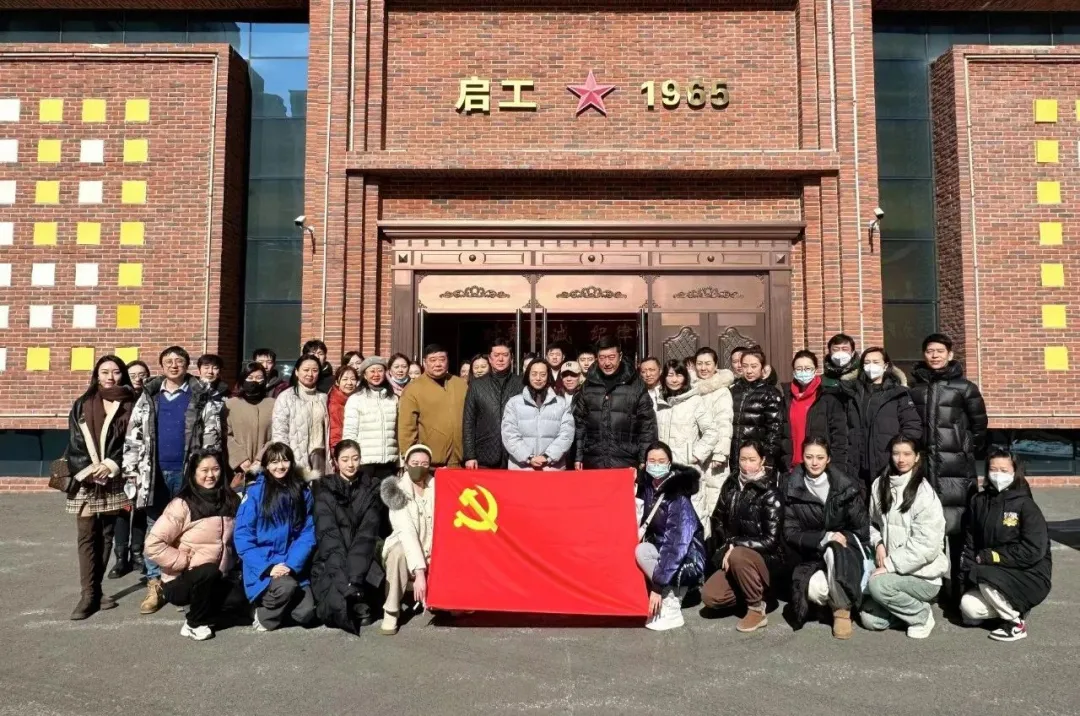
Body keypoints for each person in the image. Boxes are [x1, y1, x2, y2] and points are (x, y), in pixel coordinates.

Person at [124, 345, 223, 615]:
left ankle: (182, 582)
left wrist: (208, 470)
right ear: (162, 365)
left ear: (187, 365)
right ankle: (155, 582)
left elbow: (212, 434)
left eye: (179, 360)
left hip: (188, 472)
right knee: (156, 526)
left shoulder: (201, 394)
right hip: (153, 472)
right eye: (168, 361)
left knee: (189, 526)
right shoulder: (149, 395)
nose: (174, 365)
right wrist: (131, 469)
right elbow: (134, 434)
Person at [909, 332, 988, 598]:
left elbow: (979, 427)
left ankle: (961, 590)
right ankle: (934, 588)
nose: (935, 355)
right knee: (929, 531)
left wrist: (964, 450)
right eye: (930, 351)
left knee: (959, 531)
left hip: (956, 469)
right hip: (924, 469)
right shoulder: (915, 389)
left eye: (940, 351)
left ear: (950, 354)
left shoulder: (965, 388)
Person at [143, 449, 245, 641]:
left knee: (238, 600)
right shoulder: (182, 504)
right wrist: (185, 561)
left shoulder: (231, 500)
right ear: (193, 473)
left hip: (218, 576)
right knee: (207, 571)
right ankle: (193, 623)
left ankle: (204, 608)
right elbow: (153, 544)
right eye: (204, 470)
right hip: (182, 579)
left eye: (215, 469)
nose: (210, 475)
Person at [66, 355, 136, 619]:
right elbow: (74, 440)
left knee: (107, 533)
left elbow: (132, 440)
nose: (110, 377)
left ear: (122, 375)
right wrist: (89, 469)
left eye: (116, 372)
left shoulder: (130, 403)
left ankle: (96, 590)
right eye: (105, 371)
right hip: (85, 476)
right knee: (86, 534)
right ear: (96, 375)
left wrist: (110, 465)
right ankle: (88, 595)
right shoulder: (83, 402)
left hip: (114, 476)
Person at [959, 449, 1052, 642]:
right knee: (968, 607)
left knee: (983, 574)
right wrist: (963, 582)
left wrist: (991, 556)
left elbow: (1033, 551)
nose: (998, 475)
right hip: (993, 572)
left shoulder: (1026, 505)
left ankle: (1015, 623)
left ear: (1015, 472)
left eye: (1004, 470)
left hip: (1028, 573)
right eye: (993, 469)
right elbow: (970, 543)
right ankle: (1011, 606)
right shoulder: (978, 501)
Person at [860, 436, 948, 639]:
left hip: (923, 576)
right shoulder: (879, 484)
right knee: (870, 619)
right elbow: (871, 524)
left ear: (917, 457)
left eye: (907, 454)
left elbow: (926, 547)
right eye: (896, 453)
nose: (901, 459)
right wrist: (878, 543)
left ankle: (921, 616)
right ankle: (907, 608)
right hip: (893, 572)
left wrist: (889, 565)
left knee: (878, 586)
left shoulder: (924, 494)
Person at [783, 437, 870, 639]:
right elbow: (790, 532)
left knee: (833, 549)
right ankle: (832, 601)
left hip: (845, 552)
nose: (814, 462)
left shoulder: (845, 486)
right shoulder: (791, 487)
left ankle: (841, 610)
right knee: (813, 589)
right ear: (802, 457)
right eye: (809, 457)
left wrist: (839, 539)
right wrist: (823, 537)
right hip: (812, 556)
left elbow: (862, 529)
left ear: (828, 459)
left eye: (820, 457)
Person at [701, 440, 784, 632]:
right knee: (710, 596)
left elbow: (771, 541)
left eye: (752, 460)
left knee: (739, 554)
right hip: (733, 553)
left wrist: (735, 544)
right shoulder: (731, 484)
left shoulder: (770, 492)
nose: (747, 465)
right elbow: (718, 520)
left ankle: (756, 608)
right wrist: (724, 549)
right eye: (743, 459)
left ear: (762, 460)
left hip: (763, 558)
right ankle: (751, 593)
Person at [234, 442, 317, 632]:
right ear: (266, 465)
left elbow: (307, 533)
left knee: (306, 613)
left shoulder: (302, 491)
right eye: (274, 462)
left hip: (290, 565)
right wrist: (268, 567)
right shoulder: (255, 493)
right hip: (263, 567)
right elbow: (243, 537)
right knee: (285, 587)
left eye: (285, 460)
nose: (280, 466)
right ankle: (264, 616)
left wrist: (291, 564)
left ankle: (278, 607)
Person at [311, 440, 385, 635]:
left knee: (365, 550)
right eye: (344, 460)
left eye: (355, 458)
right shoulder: (324, 490)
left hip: (362, 555)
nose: (350, 464)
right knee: (326, 606)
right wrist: (346, 582)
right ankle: (349, 595)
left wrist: (354, 578)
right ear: (336, 462)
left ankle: (356, 593)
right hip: (334, 553)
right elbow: (328, 534)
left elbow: (367, 534)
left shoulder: (371, 489)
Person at [635, 442, 706, 631]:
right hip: (660, 548)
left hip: (687, 557)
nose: (656, 465)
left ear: (669, 463)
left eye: (661, 461)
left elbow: (677, 544)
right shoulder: (647, 487)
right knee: (641, 550)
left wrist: (658, 586)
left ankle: (671, 600)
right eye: (652, 461)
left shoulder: (678, 496)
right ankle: (668, 591)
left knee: (657, 556)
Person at [842, 347, 921, 492]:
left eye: (876, 362)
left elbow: (912, 426)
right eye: (867, 362)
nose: (871, 366)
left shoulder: (898, 394)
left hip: (887, 466)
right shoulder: (853, 394)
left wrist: (900, 454)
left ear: (885, 365)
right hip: (856, 469)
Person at [574, 336, 657, 470]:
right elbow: (580, 423)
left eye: (611, 357)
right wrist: (578, 456)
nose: (607, 363)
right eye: (602, 358)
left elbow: (647, 425)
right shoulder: (588, 385)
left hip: (627, 460)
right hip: (594, 459)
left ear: (620, 356)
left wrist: (644, 458)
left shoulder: (635, 385)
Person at [379, 444, 435, 635]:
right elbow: (407, 532)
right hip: (405, 545)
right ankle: (391, 610)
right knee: (398, 553)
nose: (419, 467)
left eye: (424, 464)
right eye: (415, 463)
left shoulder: (438, 487)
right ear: (406, 464)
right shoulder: (397, 491)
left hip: (432, 546)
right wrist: (419, 573)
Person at [685, 347, 735, 533]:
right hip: (694, 454)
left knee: (714, 500)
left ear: (716, 366)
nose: (703, 368)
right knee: (695, 500)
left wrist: (720, 453)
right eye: (700, 364)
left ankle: (714, 542)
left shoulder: (721, 391)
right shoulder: (691, 389)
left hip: (714, 456)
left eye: (708, 364)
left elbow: (724, 422)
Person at [654, 360, 719, 502]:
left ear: (685, 377)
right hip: (662, 466)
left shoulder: (695, 401)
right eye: (670, 375)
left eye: (679, 375)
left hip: (687, 465)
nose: (674, 380)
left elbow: (711, 431)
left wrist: (696, 455)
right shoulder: (658, 402)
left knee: (690, 507)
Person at [110, 358, 150, 579]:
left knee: (141, 510)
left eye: (142, 374)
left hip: (144, 462)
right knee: (123, 510)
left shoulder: (151, 398)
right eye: (133, 375)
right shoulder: (120, 400)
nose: (138, 379)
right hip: (120, 462)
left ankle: (137, 554)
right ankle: (120, 557)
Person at [399, 344, 468, 468]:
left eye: (442, 359)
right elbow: (406, 427)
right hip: (428, 463)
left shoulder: (460, 385)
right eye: (432, 360)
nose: (438, 364)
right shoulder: (413, 389)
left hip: (460, 461)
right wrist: (410, 456)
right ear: (424, 362)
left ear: (448, 361)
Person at [781, 350, 848, 473]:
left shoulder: (828, 398)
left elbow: (839, 437)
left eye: (808, 368)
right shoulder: (786, 398)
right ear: (794, 371)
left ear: (815, 369)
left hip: (820, 468)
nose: (803, 372)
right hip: (792, 469)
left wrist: (835, 470)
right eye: (799, 369)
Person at [502, 360, 576, 470]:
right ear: (528, 376)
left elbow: (566, 434)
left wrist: (548, 456)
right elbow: (509, 434)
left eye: (543, 374)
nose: (538, 378)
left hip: (551, 469)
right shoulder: (514, 403)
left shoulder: (561, 404)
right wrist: (528, 457)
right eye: (534, 374)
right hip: (522, 469)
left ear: (548, 376)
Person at [271, 355, 330, 480]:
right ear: (297, 372)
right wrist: (285, 459)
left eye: (315, 370)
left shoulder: (323, 397)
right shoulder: (286, 397)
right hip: (295, 457)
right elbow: (279, 432)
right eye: (306, 370)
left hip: (320, 457)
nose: (310, 374)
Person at [341, 356, 400, 480]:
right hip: (365, 464)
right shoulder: (356, 399)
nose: (376, 374)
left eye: (380, 370)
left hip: (389, 463)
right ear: (365, 375)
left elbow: (398, 432)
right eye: (372, 371)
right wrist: (350, 460)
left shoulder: (393, 399)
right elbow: (350, 433)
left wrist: (400, 461)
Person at [462, 340, 517, 471]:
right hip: (484, 455)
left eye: (505, 355)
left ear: (511, 358)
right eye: (496, 355)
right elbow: (468, 422)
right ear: (490, 359)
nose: (500, 359)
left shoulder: (521, 383)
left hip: (515, 456)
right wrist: (469, 455)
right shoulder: (477, 385)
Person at [729, 347, 785, 469]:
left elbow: (775, 430)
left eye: (754, 366)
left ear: (762, 367)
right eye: (745, 366)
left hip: (757, 460)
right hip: (733, 458)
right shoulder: (733, 391)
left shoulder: (770, 393)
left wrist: (766, 459)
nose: (749, 371)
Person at [225, 362, 276, 488]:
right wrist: (240, 459)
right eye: (250, 377)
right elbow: (225, 434)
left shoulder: (274, 404)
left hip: (266, 467)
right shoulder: (231, 404)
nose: (254, 381)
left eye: (259, 378)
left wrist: (261, 458)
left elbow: (277, 434)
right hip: (237, 470)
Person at [327, 365, 359, 452]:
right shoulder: (334, 403)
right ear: (337, 382)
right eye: (345, 379)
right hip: (342, 450)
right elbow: (335, 432)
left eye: (353, 379)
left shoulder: (359, 399)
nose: (349, 383)